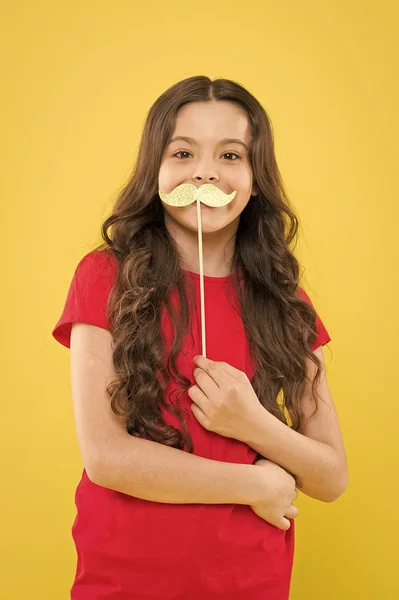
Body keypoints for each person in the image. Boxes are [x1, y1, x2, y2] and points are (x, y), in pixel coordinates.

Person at [52, 75, 348, 600]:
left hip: (251, 580)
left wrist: (253, 423)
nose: (206, 171)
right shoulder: (104, 276)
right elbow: (105, 456)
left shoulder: (286, 299)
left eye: (231, 156)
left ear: (257, 178)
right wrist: (256, 483)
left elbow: (330, 476)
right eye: (183, 152)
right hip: (123, 579)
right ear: (156, 169)